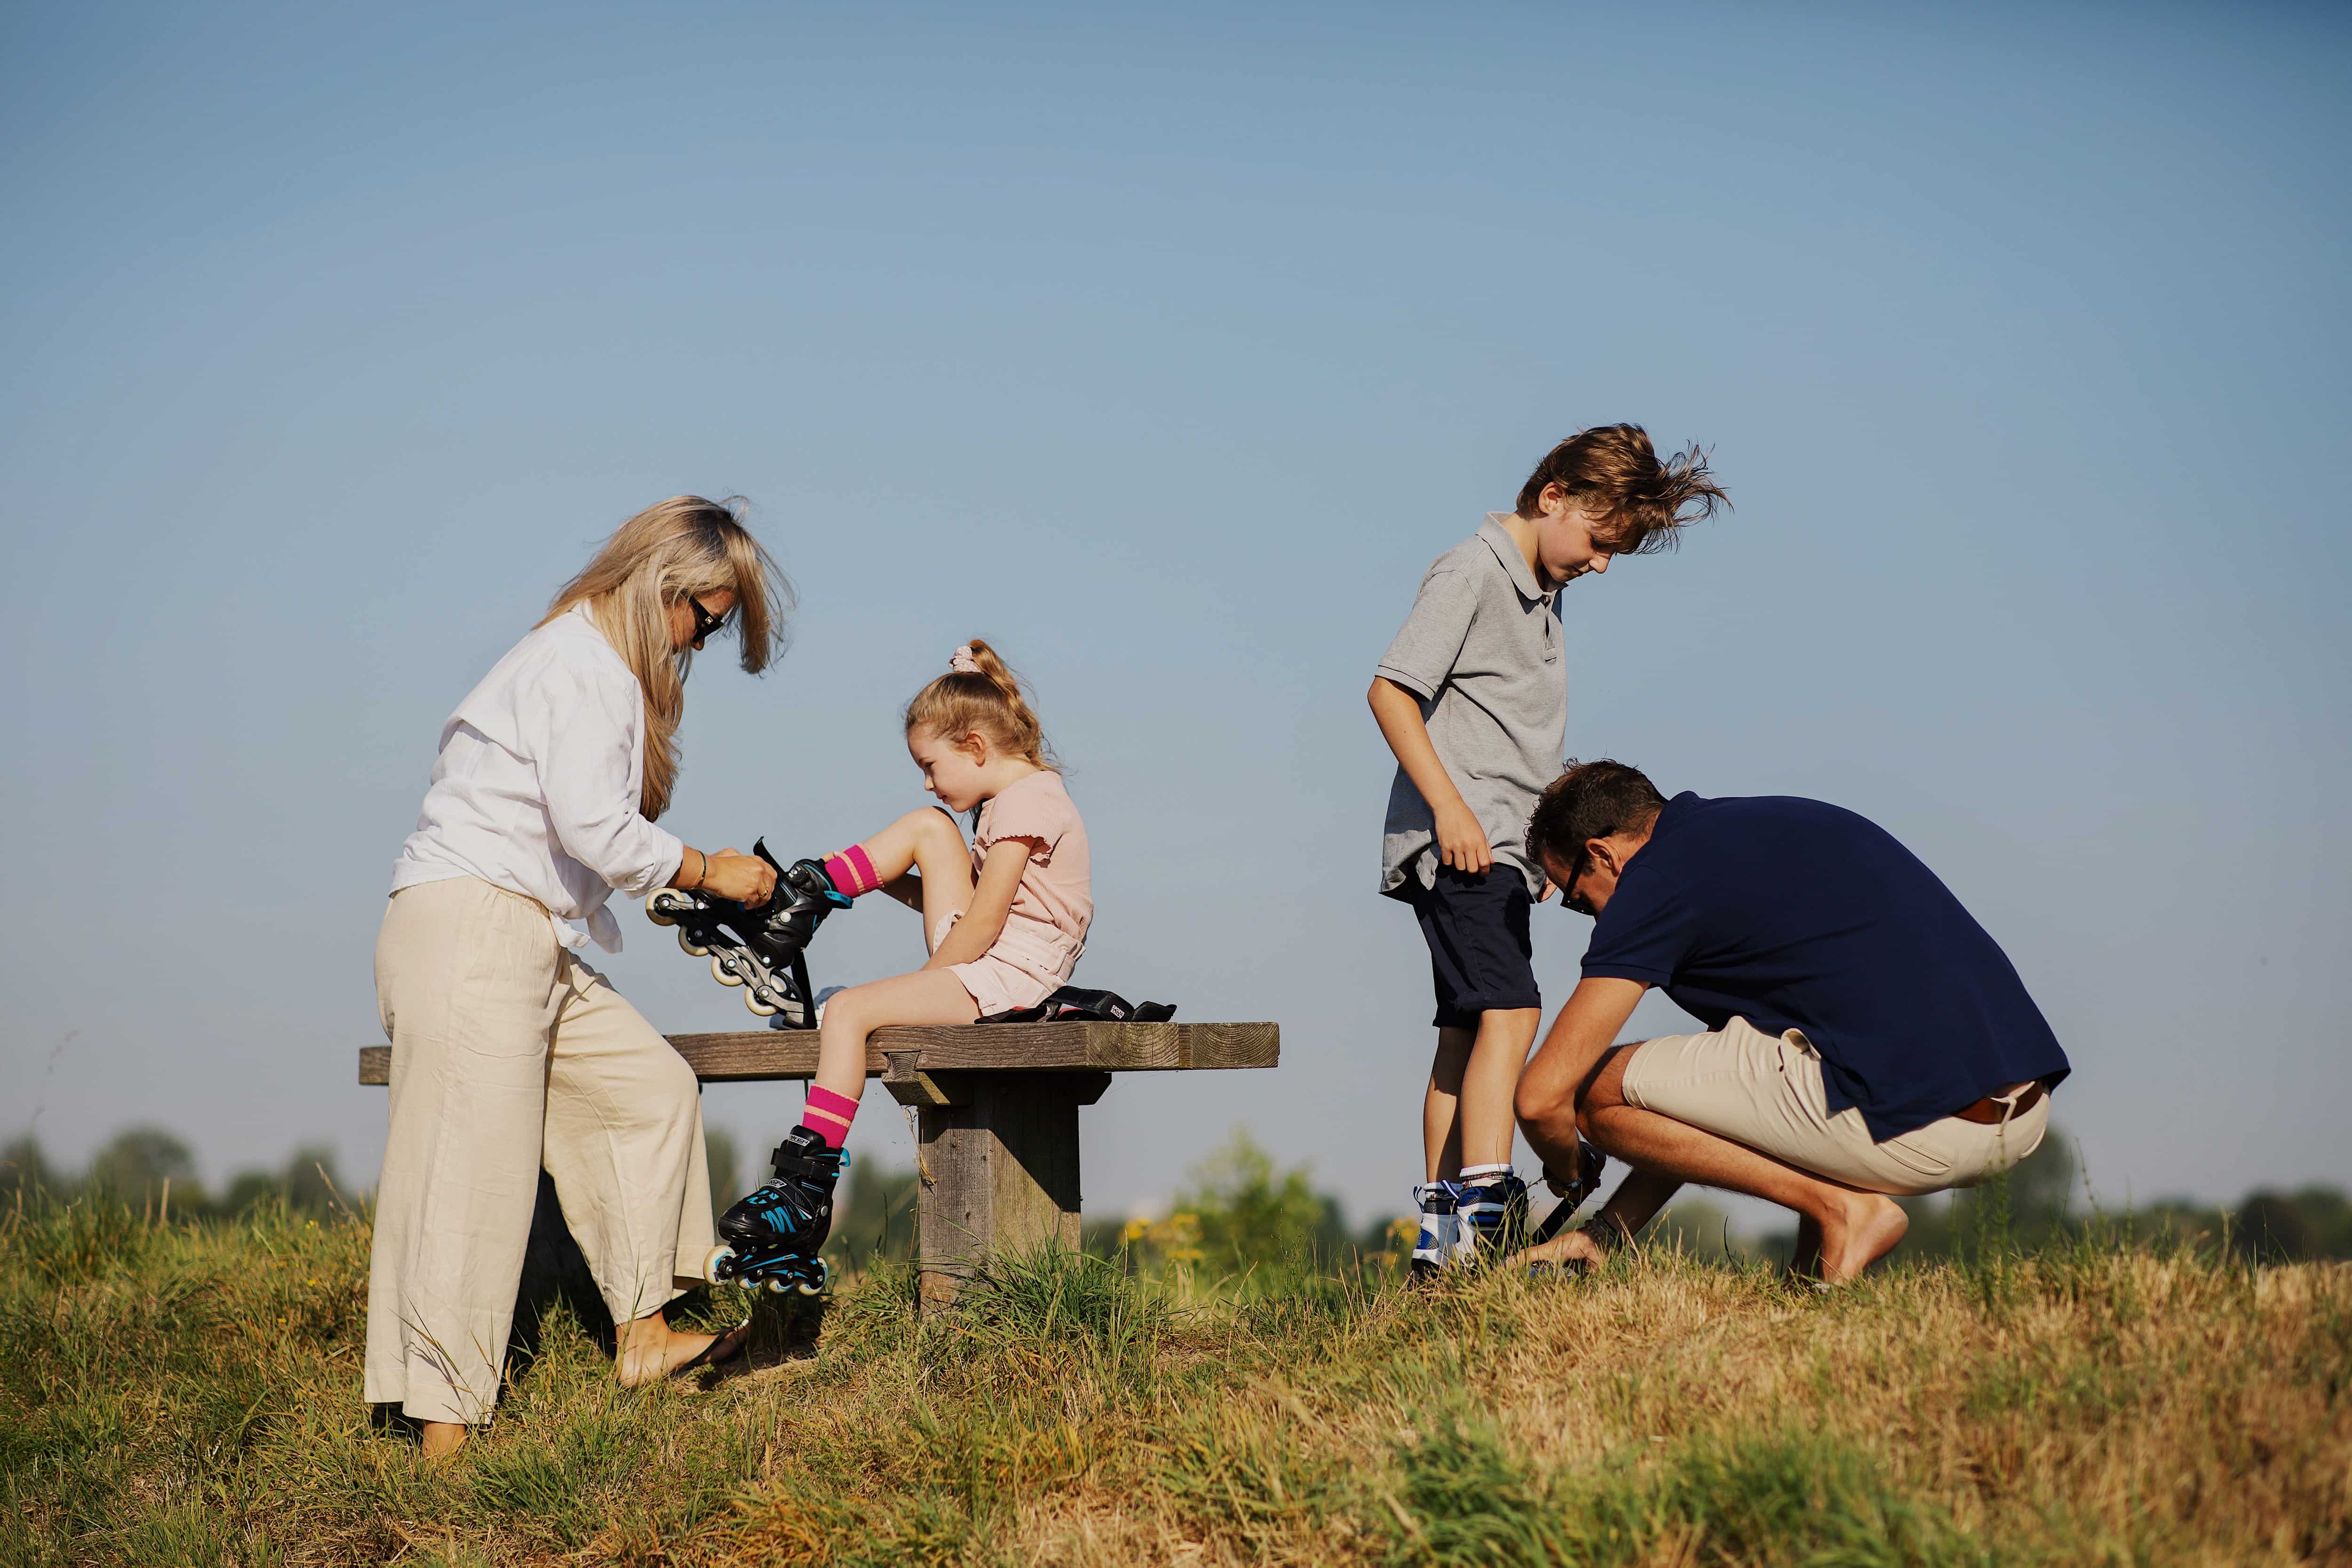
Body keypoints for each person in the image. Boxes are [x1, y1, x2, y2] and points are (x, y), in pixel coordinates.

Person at [369, 496, 789, 1458]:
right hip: (474, 927)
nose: (704, 641)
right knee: (469, 1179)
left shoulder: (587, 664)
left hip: (529, 939)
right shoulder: (579, 664)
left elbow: (584, 834)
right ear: (664, 589)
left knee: (646, 1091)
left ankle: (641, 1333)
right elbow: (591, 826)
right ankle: (442, 1452)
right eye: (709, 619)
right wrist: (706, 868)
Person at [1368, 428, 1727, 1279]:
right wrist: (1452, 810)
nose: (1602, 564)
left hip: (1499, 847)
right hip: (1464, 839)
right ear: (1554, 494)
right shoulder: (1473, 570)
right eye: (1601, 543)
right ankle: (1490, 1207)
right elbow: (1390, 691)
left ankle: (1442, 1234)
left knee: (1466, 1028)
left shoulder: (1539, 587)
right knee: (1513, 1009)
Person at [1510, 760, 2073, 1283]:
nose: (1594, 922)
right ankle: (1815, 1267)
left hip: (1923, 1120)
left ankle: (1844, 1210)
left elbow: (1541, 1098)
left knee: (1594, 1091)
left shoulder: (1654, 878)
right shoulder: (1772, 823)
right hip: (2017, 1109)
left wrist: (1569, 1169)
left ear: (1603, 853)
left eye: (1580, 902)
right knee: (1755, 1065)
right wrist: (1609, 1231)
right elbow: (1707, 1105)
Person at [711, 640, 1090, 1270]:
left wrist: (921, 990)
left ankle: (805, 1186)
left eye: (932, 764)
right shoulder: (1011, 799)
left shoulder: (1028, 803)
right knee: (926, 827)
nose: (929, 780)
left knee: (853, 1011)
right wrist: (877, 875)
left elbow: (988, 920)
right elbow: (964, 906)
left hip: (1009, 976)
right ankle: (806, 893)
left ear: (975, 746)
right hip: (992, 959)